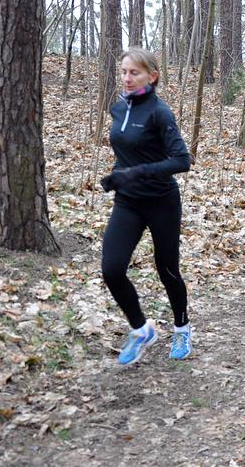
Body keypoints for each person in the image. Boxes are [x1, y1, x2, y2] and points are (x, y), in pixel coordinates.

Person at [100, 47, 192, 365]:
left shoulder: (159, 112)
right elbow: (128, 151)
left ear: (152, 76)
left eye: (134, 72)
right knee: (112, 269)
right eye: (124, 71)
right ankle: (141, 330)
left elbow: (182, 160)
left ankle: (182, 328)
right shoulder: (119, 108)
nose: (127, 78)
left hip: (161, 202)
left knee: (167, 270)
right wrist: (118, 175)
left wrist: (135, 173)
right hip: (128, 201)